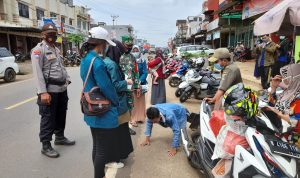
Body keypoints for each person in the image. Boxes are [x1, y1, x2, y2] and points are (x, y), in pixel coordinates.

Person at [80, 26, 119, 178]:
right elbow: (106, 87)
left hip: (91, 107)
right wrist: (116, 101)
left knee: (97, 146)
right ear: (101, 43)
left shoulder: (86, 58)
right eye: (106, 44)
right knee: (102, 149)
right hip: (102, 109)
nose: (106, 47)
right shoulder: (97, 62)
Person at [31, 23, 75, 158]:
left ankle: (60, 137)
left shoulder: (56, 49)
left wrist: (67, 79)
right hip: (49, 91)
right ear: (43, 35)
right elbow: (38, 73)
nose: (52, 36)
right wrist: (42, 92)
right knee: (48, 118)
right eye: (49, 34)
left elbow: (61, 66)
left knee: (61, 114)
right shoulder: (38, 50)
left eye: (54, 34)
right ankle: (45, 145)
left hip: (61, 89)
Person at [103, 55, 134, 169]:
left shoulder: (104, 62)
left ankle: (115, 156)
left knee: (117, 131)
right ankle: (112, 158)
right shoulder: (111, 64)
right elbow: (115, 85)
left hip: (112, 103)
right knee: (118, 131)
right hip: (117, 103)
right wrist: (127, 82)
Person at [265, 64, 300, 145]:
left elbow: (297, 122)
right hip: (278, 131)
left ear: (294, 79)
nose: (283, 80)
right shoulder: (289, 91)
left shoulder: (297, 98)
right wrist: (273, 87)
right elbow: (272, 103)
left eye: (286, 77)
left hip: (291, 141)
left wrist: (278, 113)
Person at [119, 35, 140, 135]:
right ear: (123, 44)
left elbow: (135, 72)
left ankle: (126, 127)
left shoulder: (132, 57)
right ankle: (119, 128)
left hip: (130, 88)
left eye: (131, 46)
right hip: (120, 87)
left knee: (130, 106)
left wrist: (137, 86)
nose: (129, 47)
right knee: (120, 107)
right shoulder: (117, 55)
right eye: (127, 45)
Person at [130, 45, 148, 126]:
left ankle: (140, 118)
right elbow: (128, 72)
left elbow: (145, 72)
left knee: (140, 102)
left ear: (140, 51)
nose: (135, 52)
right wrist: (133, 81)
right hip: (132, 84)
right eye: (134, 51)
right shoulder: (129, 60)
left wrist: (140, 81)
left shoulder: (143, 60)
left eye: (137, 50)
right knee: (133, 102)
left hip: (141, 84)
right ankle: (133, 119)